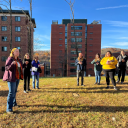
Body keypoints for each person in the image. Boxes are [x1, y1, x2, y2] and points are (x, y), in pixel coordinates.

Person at [3, 48, 24, 114]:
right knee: (11, 93)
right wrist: (12, 64)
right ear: (13, 52)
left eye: (18, 51)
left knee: (14, 92)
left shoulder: (19, 60)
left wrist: (25, 64)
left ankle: (14, 103)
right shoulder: (10, 59)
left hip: (17, 77)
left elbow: (21, 67)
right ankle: (8, 109)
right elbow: (6, 68)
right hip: (11, 78)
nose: (18, 52)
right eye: (16, 51)